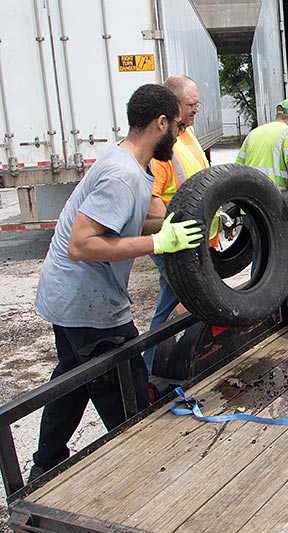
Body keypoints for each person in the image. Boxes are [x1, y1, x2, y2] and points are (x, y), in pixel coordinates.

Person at [29, 84, 203, 480]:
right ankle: (145, 480)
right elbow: (82, 243)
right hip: (88, 303)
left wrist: (168, 223)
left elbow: (121, 220)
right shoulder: (122, 174)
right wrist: (157, 241)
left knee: (73, 380)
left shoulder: (129, 164)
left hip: (69, 297)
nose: (179, 134)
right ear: (161, 122)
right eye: (176, 125)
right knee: (125, 390)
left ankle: (46, 463)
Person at [144, 75, 211, 374]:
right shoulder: (163, 147)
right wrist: (175, 233)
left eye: (198, 103)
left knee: (172, 302)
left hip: (194, 240)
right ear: (172, 106)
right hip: (176, 242)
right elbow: (152, 199)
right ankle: (150, 370)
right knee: (179, 303)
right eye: (190, 104)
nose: (196, 108)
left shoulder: (187, 134)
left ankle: (153, 367)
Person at [235, 98, 288, 209]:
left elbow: (238, 166)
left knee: (252, 226)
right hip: (274, 199)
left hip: (250, 199)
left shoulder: (254, 133)